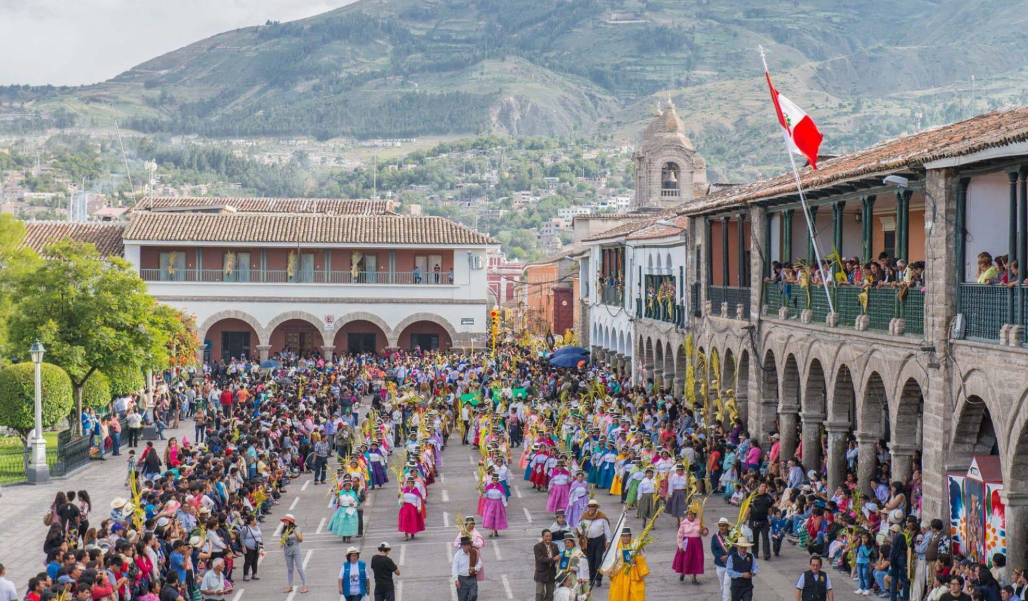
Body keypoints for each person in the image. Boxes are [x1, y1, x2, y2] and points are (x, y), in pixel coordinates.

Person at [607, 527, 648, 601]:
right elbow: (611, 560)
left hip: (633, 574)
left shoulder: (636, 545)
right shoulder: (616, 547)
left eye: (627, 536)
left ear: (630, 536)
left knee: (634, 595)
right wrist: (610, 569)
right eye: (623, 536)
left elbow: (643, 556)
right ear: (620, 537)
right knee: (618, 595)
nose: (625, 538)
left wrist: (636, 560)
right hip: (620, 574)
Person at [578, 499, 610, 589]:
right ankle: (591, 578)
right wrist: (582, 532)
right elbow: (579, 527)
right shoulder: (584, 517)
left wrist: (608, 540)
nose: (592, 508)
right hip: (589, 541)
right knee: (590, 560)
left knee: (598, 559)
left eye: (593, 506)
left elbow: (606, 529)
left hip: (599, 540)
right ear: (588, 507)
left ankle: (598, 578)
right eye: (590, 506)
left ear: (596, 507)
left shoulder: (602, 517)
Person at [673, 504, 707, 584]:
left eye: (692, 514)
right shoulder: (683, 524)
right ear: (687, 515)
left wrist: (703, 531)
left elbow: (705, 533)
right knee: (685, 559)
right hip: (686, 543)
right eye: (689, 514)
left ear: (695, 515)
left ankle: (694, 577)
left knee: (696, 559)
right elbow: (679, 535)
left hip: (697, 544)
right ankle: (683, 572)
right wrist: (680, 546)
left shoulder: (699, 522)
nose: (690, 516)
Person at [280, 514, 309, 594]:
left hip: (296, 551)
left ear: (290, 521)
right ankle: (290, 586)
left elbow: (301, 540)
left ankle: (305, 585)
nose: (285, 522)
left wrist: (296, 533)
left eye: (286, 521)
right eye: (284, 521)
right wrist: (282, 543)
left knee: (299, 568)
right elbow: (282, 539)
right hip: (287, 551)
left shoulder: (297, 529)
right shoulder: (284, 530)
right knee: (290, 569)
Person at [748, 481, 775, 561]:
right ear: (758, 487)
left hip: (764, 521)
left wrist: (770, 518)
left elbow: (770, 509)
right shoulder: (753, 497)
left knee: (765, 538)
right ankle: (755, 553)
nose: (763, 488)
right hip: (754, 520)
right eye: (762, 486)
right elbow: (749, 508)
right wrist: (744, 519)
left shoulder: (768, 497)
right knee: (754, 538)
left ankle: (767, 554)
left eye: (765, 487)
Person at [452, 536, 482, 601]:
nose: (466, 546)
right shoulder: (457, 555)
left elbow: (479, 563)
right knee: (462, 599)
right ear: (462, 545)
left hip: (472, 578)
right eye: (464, 545)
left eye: (467, 544)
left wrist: (474, 568)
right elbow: (454, 568)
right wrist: (456, 579)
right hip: (461, 579)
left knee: (473, 595)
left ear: (470, 545)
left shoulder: (474, 553)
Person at [534, 529, 560, 601]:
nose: (548, 538)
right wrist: (553, 559)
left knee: (550, 594)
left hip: (551, 574)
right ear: (542, 537)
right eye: (546, 536)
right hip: (541, 574)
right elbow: (541, 559)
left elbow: (558, 556)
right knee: (539, 593)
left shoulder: (555, 545)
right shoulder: (537, 547)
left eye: (550, 536)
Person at [711, 518, 733, 601]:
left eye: (723, 526)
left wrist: (727, 556)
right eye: (720, 526)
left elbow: (735, 548)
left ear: (727, 526)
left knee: (727, 582)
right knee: (722, 584)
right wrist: (721, 557)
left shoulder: (733, 535)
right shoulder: (715, 537)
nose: (722, 527)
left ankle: (726, 599)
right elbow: (713, 549)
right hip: (720, 563)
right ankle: (726, 596)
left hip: (730, 563)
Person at [239, 514, 263, 582]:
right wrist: (243, 546)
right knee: (248, 561)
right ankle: (245, 575)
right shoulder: (246, 528)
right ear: (251, 521)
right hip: (249, 547)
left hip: (257, 546)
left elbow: (260, 536)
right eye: (255, 519)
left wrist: (261, 545)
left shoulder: (257, 527)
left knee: (255, 561)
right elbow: (242, 537)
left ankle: (254, 573)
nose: (256, 521)